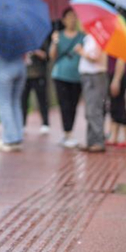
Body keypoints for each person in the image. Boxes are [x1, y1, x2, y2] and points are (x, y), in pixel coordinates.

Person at [49, 8, 85, 148]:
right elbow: (52, 56)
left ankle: (70, 131)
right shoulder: (59, 35)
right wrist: (54, 42)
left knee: (74, 104)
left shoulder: (82, 36)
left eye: (74, 17)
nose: (72, 20)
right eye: (69, 17)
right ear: (63, 20)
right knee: (64, 104)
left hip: (77, 76)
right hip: (60, 75)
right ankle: (67, 133)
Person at [76, 33, 108, 152]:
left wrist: (81, 51)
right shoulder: (88, 38)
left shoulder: (98, 38)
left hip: (95, 76)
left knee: (94, 110)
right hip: (87, 76)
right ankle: (91, 141)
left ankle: (99, 141)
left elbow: (94, 57)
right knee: (89, 110)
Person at [0, 54, 27, 152]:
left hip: (5, 67)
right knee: (15, 103)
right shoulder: (23, 38)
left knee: (4, 103)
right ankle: (17, 137)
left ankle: (9, 139)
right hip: (21, 67)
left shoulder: (0, 38)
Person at [21, 35, 51, 134]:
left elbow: (47, 56)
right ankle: (22, 124)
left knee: (42, 100)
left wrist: (36, 51)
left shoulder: (42, 39)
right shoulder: (22, 40)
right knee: (23, 101)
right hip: (24, 75)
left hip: (39, 74)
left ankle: (45, 123)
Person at [106, 56, 126, 147]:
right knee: (115, 105)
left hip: (118, 76)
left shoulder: (118, 43)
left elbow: (121, 60)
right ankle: (114, 136)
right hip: (116, 75)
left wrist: (116, 80)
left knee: (119, 106)